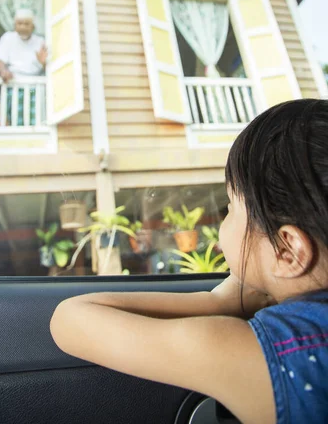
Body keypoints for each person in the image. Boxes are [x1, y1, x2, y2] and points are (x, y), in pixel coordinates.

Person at [50, 99, 328, 424]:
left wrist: (219, 301)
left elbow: (69, 320)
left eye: (230, 208)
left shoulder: (276, 353)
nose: (223, 220)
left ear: (287, 250)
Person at [0, 8, 47, 126]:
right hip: (13, 82)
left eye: (26, 24)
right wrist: (3, 71)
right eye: (20, 23)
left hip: (35, 85)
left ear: (32, 26)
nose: (23, 27)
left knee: (35, 122)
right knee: (14, 122)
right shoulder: (8, 37)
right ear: (15, 25)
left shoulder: (40, 41)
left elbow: (46, 66)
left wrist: (43, 63)